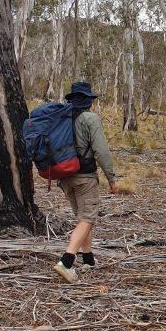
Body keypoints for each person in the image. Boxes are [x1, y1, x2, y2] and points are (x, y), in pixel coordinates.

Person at [53, 82, 117, 283]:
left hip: (64, 177)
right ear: (88, 100)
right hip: (85, 177)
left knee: (84, 218)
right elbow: (101, 151)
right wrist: (111, 178)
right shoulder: (90, 119)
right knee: (88, 219)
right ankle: (66, 262)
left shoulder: (60, 119)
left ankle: (88, 260)